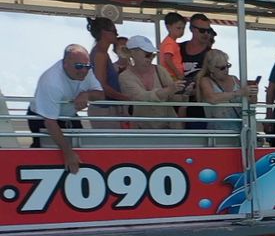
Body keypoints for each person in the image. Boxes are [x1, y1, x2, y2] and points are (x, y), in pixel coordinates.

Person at [27, 44, 104, 173]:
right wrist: (68, 153)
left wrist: (87, 94)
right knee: (46, 152)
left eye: (87, 66)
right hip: (42, 117)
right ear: (65, 64)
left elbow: (101, 95)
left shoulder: (86, 70)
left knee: (81, 146)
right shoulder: (51, 82)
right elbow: (50, 122)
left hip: (69, 115)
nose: (84, 71)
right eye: (78, 66)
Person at [118, 35, 191, 129]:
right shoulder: (124, 77)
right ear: (132, 53)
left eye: (153, 54)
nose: (151, 58)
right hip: (142, 131)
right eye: (147, 54)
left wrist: (184, 94)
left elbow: (172, 98)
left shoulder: (160, 70)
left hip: (169, 128)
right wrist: (169, 90)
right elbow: (142, 97)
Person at [85, 16, 130, 129]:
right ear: (104, 32)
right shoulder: (101, 54)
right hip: (104, 109)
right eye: (114, 31)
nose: (117, 33)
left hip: (106, 107)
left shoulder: (99, 52)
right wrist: (125, 98)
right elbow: (101, 86)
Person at [197, 49, 256, 131]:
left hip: (240, 131)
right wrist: (239, 93)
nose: (226, 70)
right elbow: (211, 98)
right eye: (222, 68)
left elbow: (251, 102)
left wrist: (253, 92)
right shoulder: (205, 81)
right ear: (211, 68)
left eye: (228, 66)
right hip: (218, 133)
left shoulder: (234, 79)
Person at [180, 13, 215, 129]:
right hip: (175, 105)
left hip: (200, 109)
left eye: (208, 30)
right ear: (191, 29)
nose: (206, 34)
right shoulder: (176, 49)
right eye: (202, 30)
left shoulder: (212, 55)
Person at [159, 12, 186, 80]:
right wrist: (178, 73)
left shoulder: (170, 42)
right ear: (168, 27)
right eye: (178, 28)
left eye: (183, 28)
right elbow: (168, 59)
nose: (181, 31)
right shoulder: (170, 43)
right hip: (171, 75)